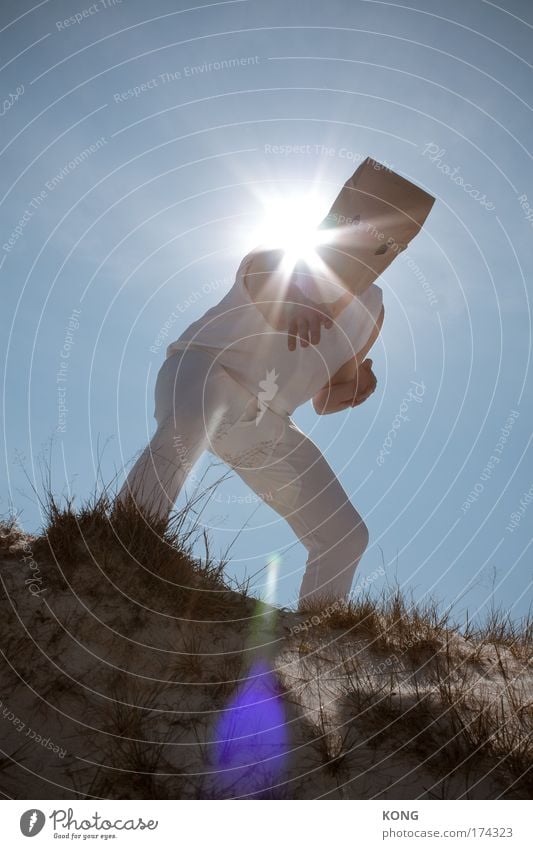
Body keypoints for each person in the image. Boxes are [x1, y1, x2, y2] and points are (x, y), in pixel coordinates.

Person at [116, 244, 384, 609]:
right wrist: (291, 299)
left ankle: (319, 637)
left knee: (346, 535)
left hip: (265, 421)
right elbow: (261, 275)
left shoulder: (374, 311)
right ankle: (117, 551)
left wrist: (355, 388)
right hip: (207, 368)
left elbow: (324, 400)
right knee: (188, 428)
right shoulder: (291, 257)